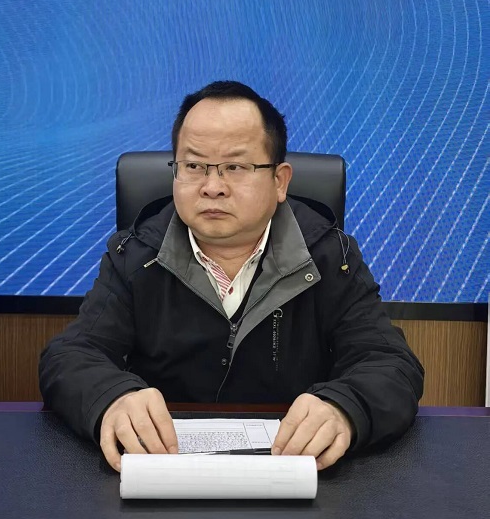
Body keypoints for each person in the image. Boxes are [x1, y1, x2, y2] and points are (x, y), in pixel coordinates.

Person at [40, 81, 424, 472]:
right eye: (194, 166)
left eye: (235, 167)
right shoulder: (137, 255)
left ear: (279, 181)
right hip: (165, 470)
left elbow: (390, 364)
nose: (212, 187)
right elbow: (71, 356)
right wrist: (112, 398)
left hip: (292, 472)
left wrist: (344, 409)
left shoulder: (328, 256)